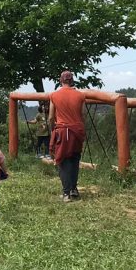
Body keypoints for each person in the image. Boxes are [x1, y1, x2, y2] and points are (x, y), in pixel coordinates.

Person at [48, 70, 87, 202]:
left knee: (63, 161)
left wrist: (53, 130)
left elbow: (51, 117)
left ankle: (66, 194)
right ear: (72, 81)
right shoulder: (81, 95)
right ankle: (74, 189)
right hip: (77, 131)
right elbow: (83, 115)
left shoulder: (54, 95)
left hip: (62, 132)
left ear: (61, 80)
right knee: (75, 160)